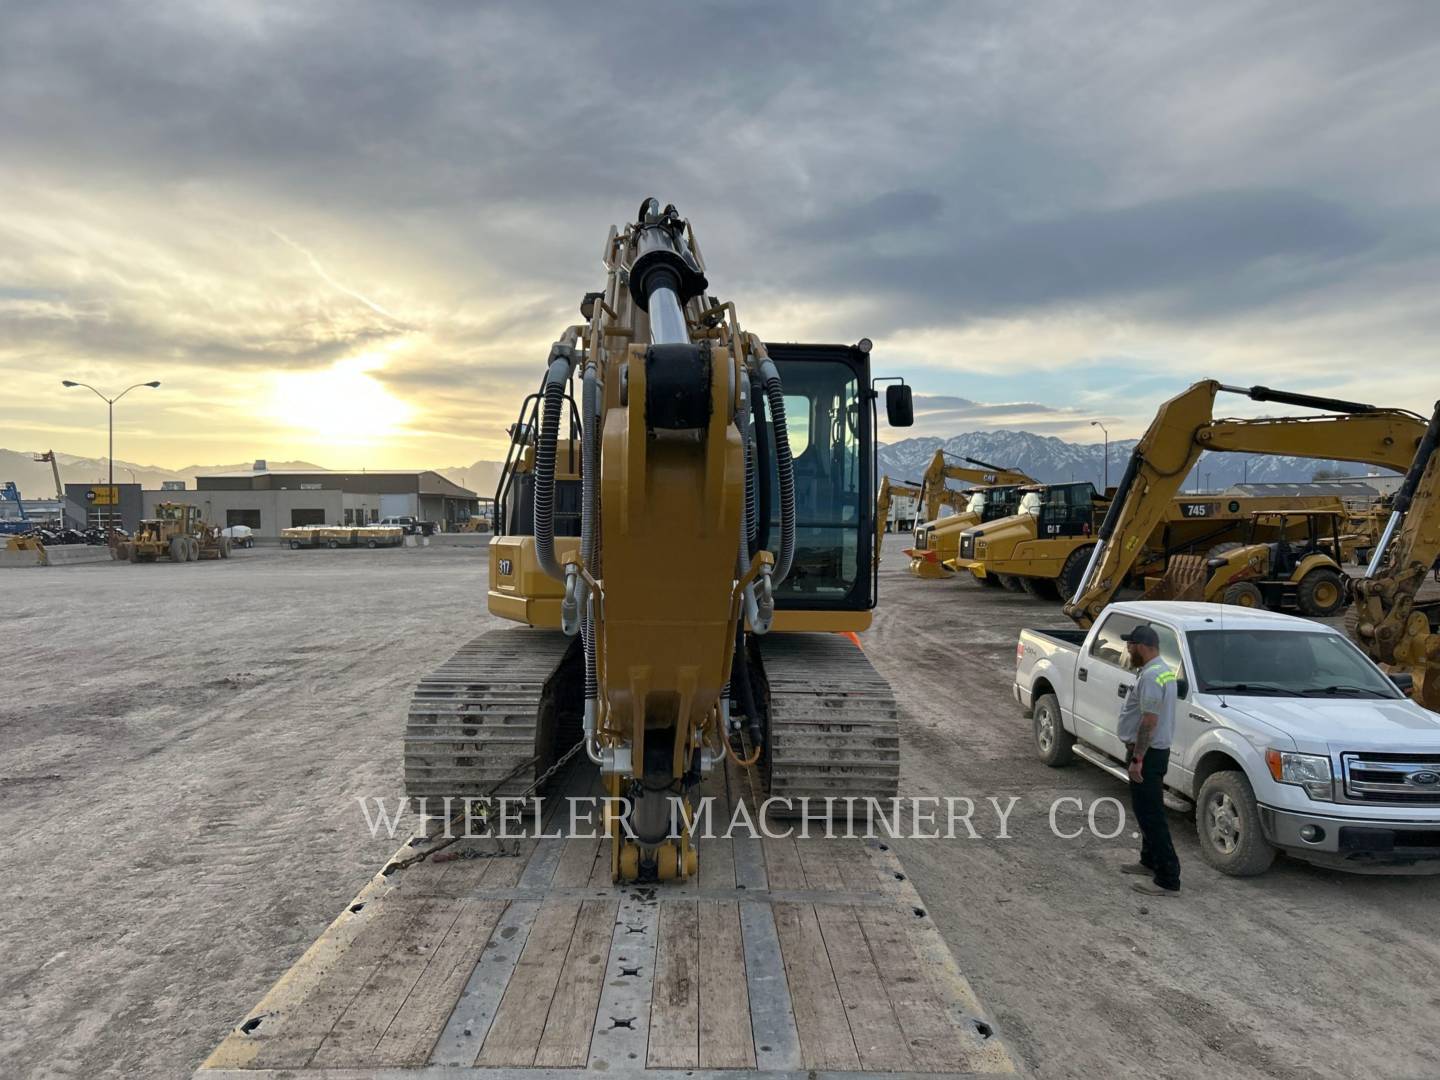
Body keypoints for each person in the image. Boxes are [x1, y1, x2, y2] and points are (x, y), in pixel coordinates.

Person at [1116, 623, 1181, 896]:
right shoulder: (1162, 671)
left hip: (1148, 754)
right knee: (1145, 810)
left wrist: (1138, 758)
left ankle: (1168, 879)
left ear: (1142, 646)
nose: (1128, 650)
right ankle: (1148, 860)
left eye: (1130, 645)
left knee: (1151, 814)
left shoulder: (1153, 677)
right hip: (1154, 751)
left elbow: (1149, 721)